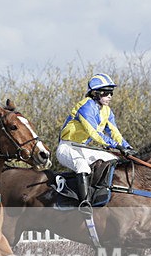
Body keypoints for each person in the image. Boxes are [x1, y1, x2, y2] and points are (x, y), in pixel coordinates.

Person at [56, 73, 134, 210]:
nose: (109, 96)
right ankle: (84, 203)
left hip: (82, 148)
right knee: (82, 167)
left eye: (111, 93)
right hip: (66, 147)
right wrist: (116, 145)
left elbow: (115, 132)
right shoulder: (85, 107)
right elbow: (94, 133)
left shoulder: (107, 111)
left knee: (112, 159)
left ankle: (101, 194)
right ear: (95, 93)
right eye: (106, 92)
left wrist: (128, 147)